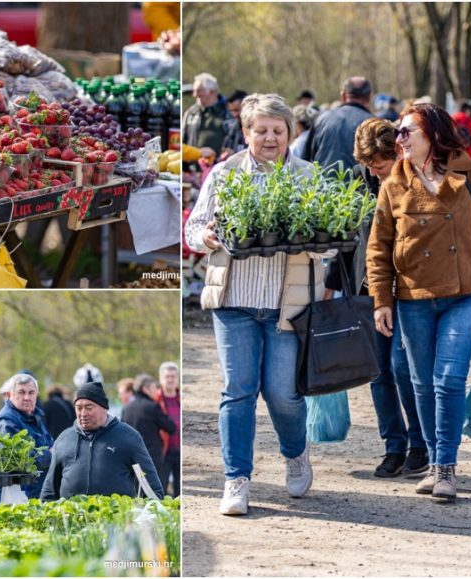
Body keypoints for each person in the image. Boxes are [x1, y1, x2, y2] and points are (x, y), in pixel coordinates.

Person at [366, 103, 471, 501]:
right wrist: (381, 299)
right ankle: (435, 459)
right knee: (422, 382)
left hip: (466, 293)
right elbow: (378, 247)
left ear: (433, 134)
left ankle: (445, 467)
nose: (398, 139)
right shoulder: (393, 184)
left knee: (448, 378)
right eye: (398, 132)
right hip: (412, 296)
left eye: (407, 132)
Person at [185, 93, 334, 516]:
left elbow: (330, 238)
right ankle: (236, 480)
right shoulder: (225, 174)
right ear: (247, 132)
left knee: (283, 394)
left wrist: (320, 247)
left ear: (290, 133)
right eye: (261, 130)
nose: (270, 138)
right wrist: (207, 238)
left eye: (278, 131)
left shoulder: (308, 177)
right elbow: (195, 227)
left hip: (287, 307)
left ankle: (295, 453)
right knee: (238, 391)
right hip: (235, 302)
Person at [323, 118, 427, 478]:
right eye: (369, 165)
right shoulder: (357, 180)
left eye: (379, 165)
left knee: (403, 368)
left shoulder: (413, 180)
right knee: (378, 372)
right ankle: (393, 446)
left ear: (395, 153)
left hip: (408, 290)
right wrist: (329, 286)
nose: (374, 171)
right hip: (368, 290)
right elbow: (345, 238)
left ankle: (420, 443)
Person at [41, 381, 164, 500]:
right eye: (79, 408)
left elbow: (153, 490)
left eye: (89, 408)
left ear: (104, 408)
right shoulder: (64, 439)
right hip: (72, 519)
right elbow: (49, 492)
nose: (83, 413)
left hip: (116, 519)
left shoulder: (129, 437)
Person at [0, 373, 53, 505]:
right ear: (10, 395)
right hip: (9, 500)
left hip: (30, 496)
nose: (27, 397)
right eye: (21, 392)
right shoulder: (6, 422)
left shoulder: (35, 417)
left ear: (37, 395)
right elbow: (15, 461)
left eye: (31, 393)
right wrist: (51, 455)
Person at [121, 373, 177, 495]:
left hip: (131, 458)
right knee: (155, 493)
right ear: (145, 389)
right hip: (152, 457)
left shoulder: (126, 408)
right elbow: (170, 427)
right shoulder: (152, 407)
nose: (156, 390)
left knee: (136, 493)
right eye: (153, 387)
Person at [304, 76, 374, 170]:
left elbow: (306, 160)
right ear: (369, 97)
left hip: (323, 183)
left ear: (343, 95)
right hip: (360, 184)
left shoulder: (322, 118)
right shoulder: (375, 124)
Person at [183, 73, 230, 159]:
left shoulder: (227, 112)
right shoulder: (191, 112)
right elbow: (183, 139)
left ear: (212, 92)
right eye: (194, 91)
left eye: (199, 91)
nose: (195, 95)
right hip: (192, 168)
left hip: (219, 166)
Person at [155, 362, 181, 497]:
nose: (170, 380)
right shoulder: (155, 400)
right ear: (161, 379)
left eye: (173, 376)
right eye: (167, 377)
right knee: (161, 488)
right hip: (163, 452)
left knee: (180, 491)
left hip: (181, 452)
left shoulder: (181, 398)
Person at [222, 90, 249, 157]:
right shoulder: (231, 129)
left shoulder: (257, 129)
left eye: (237, 110)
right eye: (231, 111)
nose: (234, 114)